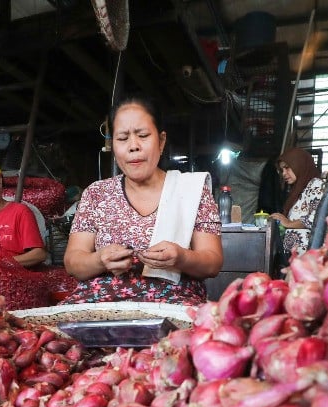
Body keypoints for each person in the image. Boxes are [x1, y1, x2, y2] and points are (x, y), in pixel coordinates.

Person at [62, 95, 223, 306]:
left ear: (161, 141)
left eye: (143, 135)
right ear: (113, 145)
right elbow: (73, 262)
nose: (133, 146)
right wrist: (99, 260)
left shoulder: (192, 190)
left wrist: (181, 257)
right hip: (99, 307)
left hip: (173, 307)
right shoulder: (96, 194)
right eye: (122, 138)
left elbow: (212, 263)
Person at [270, 147, 324, 258]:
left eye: (287, 168)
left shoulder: (316, 184)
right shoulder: (298, 190)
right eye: (282, 170)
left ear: (299, 165)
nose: (284, 174)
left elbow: (316, 218)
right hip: (296, 258)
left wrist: (288, 223)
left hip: (309, 258)